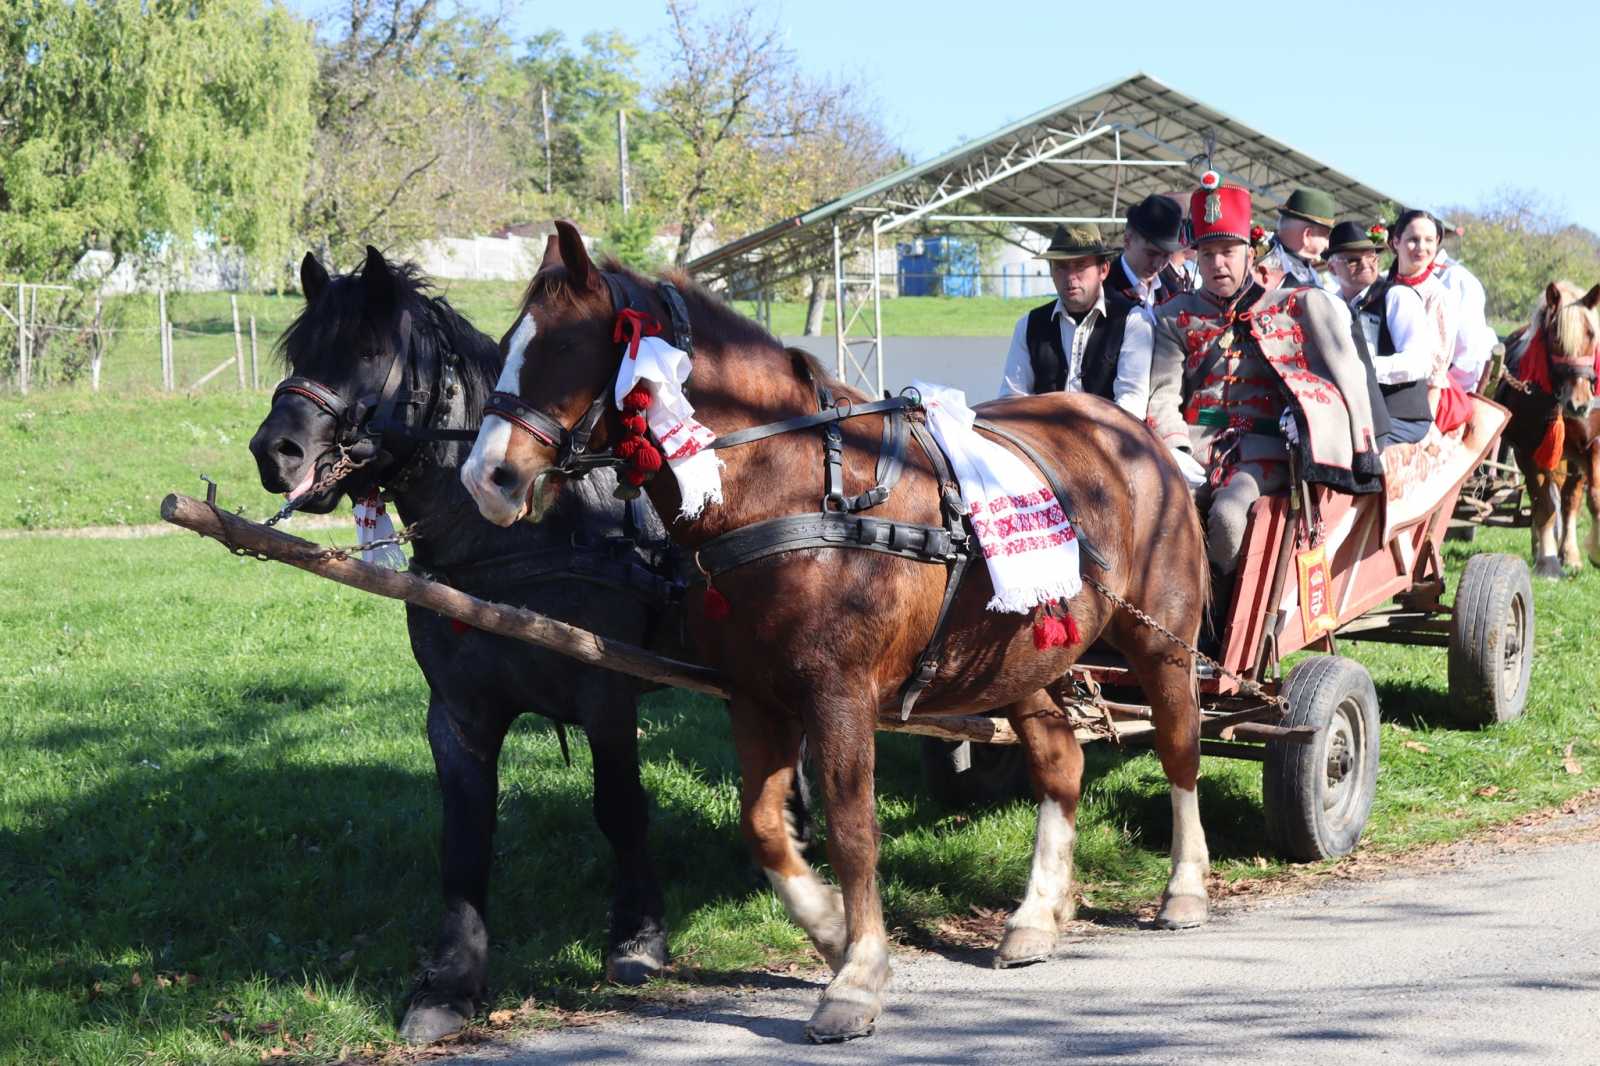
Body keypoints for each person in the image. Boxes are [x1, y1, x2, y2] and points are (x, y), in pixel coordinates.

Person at [1147, 174, 1383, 585]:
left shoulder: (1291, 306)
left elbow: (1337, 374)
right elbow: (1163, 394)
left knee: (1227, 514)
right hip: (1194, 446)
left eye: (1227, 251)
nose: (1217, 263)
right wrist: (1176, 449)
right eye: (1206, 254)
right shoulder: (1173, 315)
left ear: (1249, 253)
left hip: (1264, 448)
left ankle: (1219, 611)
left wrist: (1323, 427)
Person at [999, 223, 1155, 419]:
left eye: (1080, 265)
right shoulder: (1029, 324)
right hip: (1041, 442)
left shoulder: (1133, 321)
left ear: (1104, 270)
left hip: (1107, 442)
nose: (1071, 277)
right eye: (1061, 267)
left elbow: (1131, 404)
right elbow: (1012, 400)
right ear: (1051, 272)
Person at [1354, 208, 1461, 444]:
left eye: (1429, 240)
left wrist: (1428, 422)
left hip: (1418, 399)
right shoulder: (1379, 284)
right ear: (1395, 242)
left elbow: (1437, 369)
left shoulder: (1438, 296)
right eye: (1413, 239)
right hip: (1375, 389)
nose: (1421, 247)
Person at [1107, 194, 1191, 308]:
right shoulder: (1102, 291)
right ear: (1127, 240)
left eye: (1166, 255)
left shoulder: (1172, 291)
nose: (1158, 264)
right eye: (1151, 253)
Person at [1267, 188, 1337, 289]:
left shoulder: (1307, 269)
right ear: (1307, 235)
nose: (1327, 244)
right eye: (1325, 236)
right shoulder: (1263, 262)